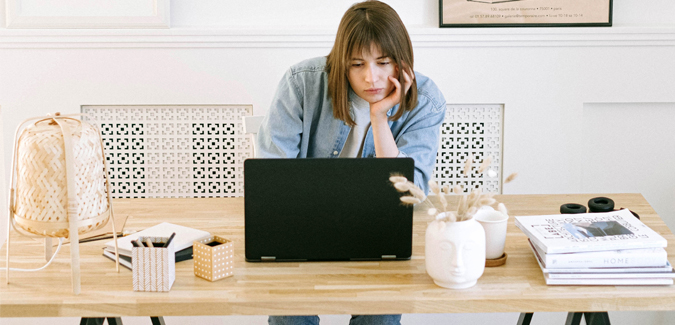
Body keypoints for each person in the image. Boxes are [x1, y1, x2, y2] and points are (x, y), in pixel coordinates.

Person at [257, 1, 446, 324]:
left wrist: (379, 118)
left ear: (402, 61)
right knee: (289, 311)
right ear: (341, 60)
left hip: (378, 231)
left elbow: (411, 194)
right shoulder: (302, 83)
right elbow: (274, 180)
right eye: (357, 64)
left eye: (383, 62)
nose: (370, 77)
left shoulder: (425, 101)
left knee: (380, 315)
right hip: (303, 224)